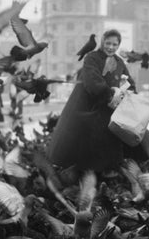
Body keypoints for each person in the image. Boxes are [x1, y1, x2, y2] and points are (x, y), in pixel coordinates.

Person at [47, 29, 138, 173]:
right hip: (91, 107)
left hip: (111, 111)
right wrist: (109, 94)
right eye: (108, 43)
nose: (111, 47)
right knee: (86, 147)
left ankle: (110, 173)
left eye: (115, 44)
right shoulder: (92, 58)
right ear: (102, 42)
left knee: (112, 144)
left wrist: (128, 93)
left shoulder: (120, 62)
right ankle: (87, 174)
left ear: (118, 45)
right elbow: (92, 80)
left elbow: (131, 84)